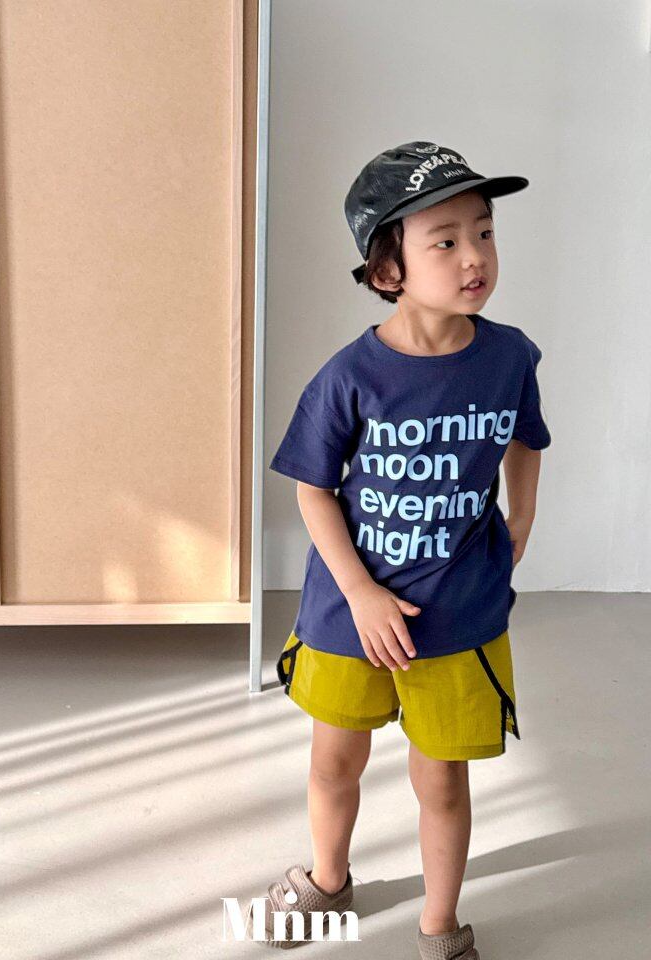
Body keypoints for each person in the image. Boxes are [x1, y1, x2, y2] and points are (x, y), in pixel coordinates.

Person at [255, 141, 551, 959]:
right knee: (333, 763)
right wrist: (360, 592)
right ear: (388, 268)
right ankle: (327, 877)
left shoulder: (510, 356)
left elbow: (526, 437)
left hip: (457, 612)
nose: (474, 256)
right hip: (350, 613)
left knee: (442, 781)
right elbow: (312, 488)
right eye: (445, 241)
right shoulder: (350, 374)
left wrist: (521, 518)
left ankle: (439, 923)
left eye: (484, 232)